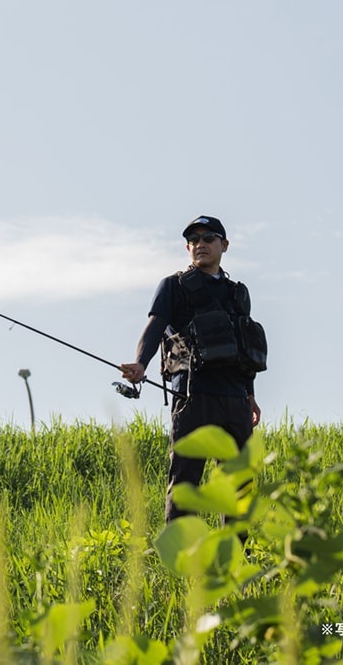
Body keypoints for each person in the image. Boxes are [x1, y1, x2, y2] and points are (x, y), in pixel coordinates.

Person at [120, 215, 263, 523]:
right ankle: (180, 558)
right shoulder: (173, 286)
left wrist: (250, 395)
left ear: (224, 245)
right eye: (194, 240)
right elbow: (155, 326)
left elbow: (242, 346)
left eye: (208, 238)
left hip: (235, 400)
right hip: (193, 395)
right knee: (185, 480)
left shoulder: (238, 293)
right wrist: (140, 364)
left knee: (239, 483)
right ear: (187, 247)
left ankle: (235, 556)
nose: (201, 244)